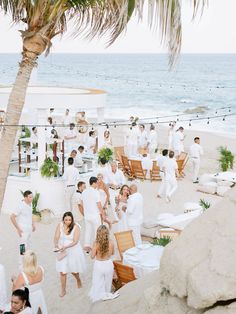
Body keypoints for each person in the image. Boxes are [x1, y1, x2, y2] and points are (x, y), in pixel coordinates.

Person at [54, 212, 86, 298]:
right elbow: (56, 236)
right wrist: (56, 245)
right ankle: (63, 290)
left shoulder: (76, 227)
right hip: (62, 250)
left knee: (73, 271)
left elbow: (75, 241)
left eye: (69, 220)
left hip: (73, 250)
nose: (68, 221)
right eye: (66, 220)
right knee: (62, 271)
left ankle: (78, 279)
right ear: (63, 220)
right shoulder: (60, 225)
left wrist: (66, 247)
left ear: (72, 219)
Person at [89, 225, 119, 302]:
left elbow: (92, 256)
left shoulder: (95, 243)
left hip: (99, 265)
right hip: (108, 264)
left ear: (98, 233)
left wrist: (91, 250)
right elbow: (112, 253)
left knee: (98, 282)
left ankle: (100, 295)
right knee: (108, 282)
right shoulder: (111, 242)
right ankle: (107, 293)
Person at [81, 177, 111, 253]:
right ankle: (96, 248)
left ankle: (87, 246)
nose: (98, 184)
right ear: (93, 183)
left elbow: (81, 203)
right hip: (95, 216)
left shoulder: (84, 192)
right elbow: (99, 205)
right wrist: (103, 214)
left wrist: (86, 211)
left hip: (87, 216)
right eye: (97, 183)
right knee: (97, 232)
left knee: (88, 231)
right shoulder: (95, 192)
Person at [10, 191, 36, 269]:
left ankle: (28, 263)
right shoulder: (20, 206)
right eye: (30, 197)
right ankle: (21, 265)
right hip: (23, 230)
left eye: (32, 197)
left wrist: (33, 224)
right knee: (22, 248)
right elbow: (12, 217)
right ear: (25, 197)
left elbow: (30, 214)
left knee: (29, 246)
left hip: (29, 229)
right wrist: (18, 228)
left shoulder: (30, 204)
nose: (32, 198)